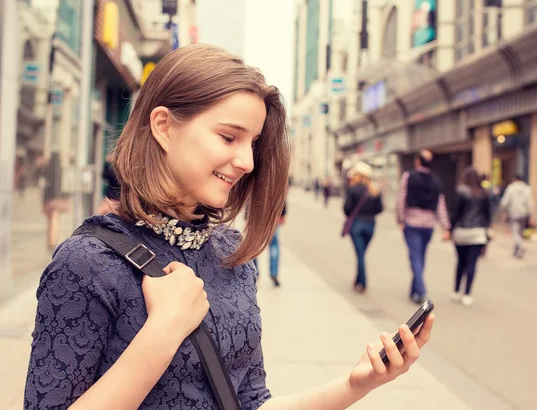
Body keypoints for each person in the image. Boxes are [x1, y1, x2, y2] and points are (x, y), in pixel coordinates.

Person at [24, 44, 433, 410]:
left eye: (252, 142)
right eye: (228, 137)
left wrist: (355, 384)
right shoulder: (86, 263)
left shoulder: (229, 253)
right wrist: (164, 330)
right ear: (164, 126)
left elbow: (250, 400)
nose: (247, 161)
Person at [396, 149, 451, 304]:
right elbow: (440, 204)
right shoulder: (436, 180)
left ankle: (420, 290)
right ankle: (414, 290)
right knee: (420, 256)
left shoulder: (408, 176)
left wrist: (400, 219)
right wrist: (445, 226)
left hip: (412, 223)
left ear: (417, 161)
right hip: (428, 225)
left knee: (415, 257)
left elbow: (401, 199)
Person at [450, 167, 492, 306]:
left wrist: (450, 229)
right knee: (472, 263)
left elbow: (455, 213)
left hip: (461, 232)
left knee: (461, 262)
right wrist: (488, 230)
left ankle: (456, 290)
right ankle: (467, 294)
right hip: (478, 233)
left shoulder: (461, 191)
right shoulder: (483, 193)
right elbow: (487, 215)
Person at [344, 162, 383, 294]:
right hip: (371, 225)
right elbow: (380, 209)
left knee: (360, 255)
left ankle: (363, 283)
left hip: (357, 225)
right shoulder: (375, 190)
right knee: (361, 254)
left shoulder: (353, 189)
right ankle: (358, 279)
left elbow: (347, 209)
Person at [252, 201, 286, 287]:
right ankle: (273, 273)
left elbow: (250, 195)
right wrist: (283, 213)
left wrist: (247, 216)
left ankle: (254, 271)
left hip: (257, 215)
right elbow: (282, 193)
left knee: (254, 244)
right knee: (273, 245)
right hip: (273, 215)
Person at [499, 174, 533, 259]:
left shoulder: (511, 188)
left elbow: (505, 202)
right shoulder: (527, 188)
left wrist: (502, 211)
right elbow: (530, 203)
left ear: (514, 179)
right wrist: (531, 214)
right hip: (524, 213)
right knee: (520, 233)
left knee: (515, 233)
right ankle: (516, 250)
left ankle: (520, 247)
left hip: (513, 213)